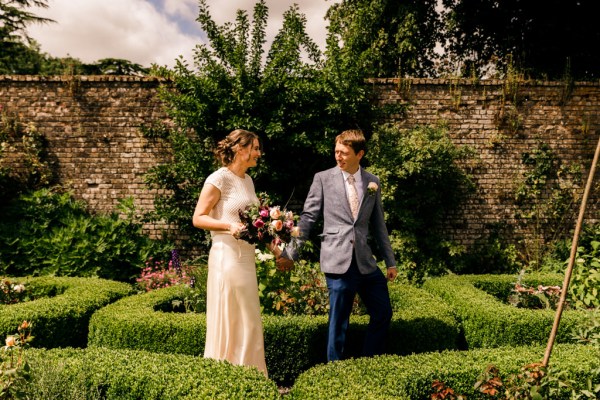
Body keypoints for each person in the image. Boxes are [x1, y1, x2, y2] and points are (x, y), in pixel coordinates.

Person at [277, 129, 397, 362]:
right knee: (339, 320)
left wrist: (390, 261)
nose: (338, 157)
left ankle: (370, 363)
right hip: (337, 260)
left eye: (344, 153)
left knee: (383, 312)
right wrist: (290, 252)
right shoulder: (323, 178)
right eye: (336, 152)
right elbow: (308, 218)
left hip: (365, 263)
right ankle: (335, 370)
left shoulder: (373, 182)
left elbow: (378, 223)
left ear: (359, 154)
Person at [192, 129, 268, 376]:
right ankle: (224, 374)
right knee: (233, 318)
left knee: (250, 320)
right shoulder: (218, 179)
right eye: (255, 148)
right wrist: (228, 226)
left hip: (246, 258)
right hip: (226, 256)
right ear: (240, 149)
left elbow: (254, 224)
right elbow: (198, 218)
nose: (259, 153)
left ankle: (251, 375)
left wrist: (277, 246)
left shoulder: (248, 180)